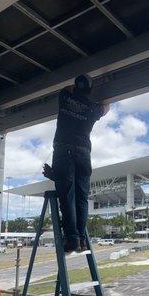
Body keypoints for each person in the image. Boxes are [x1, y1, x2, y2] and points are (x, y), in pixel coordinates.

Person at [43, 74, 109, 253]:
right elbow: (106, 106)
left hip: (64, 150)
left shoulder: (65, 98)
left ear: (75, 86)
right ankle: (81, 239)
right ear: (90, 90)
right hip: (84, 153)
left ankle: (72, 240)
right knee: (81, 198)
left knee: (67, 195)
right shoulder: (93, 109)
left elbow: (66, 88)